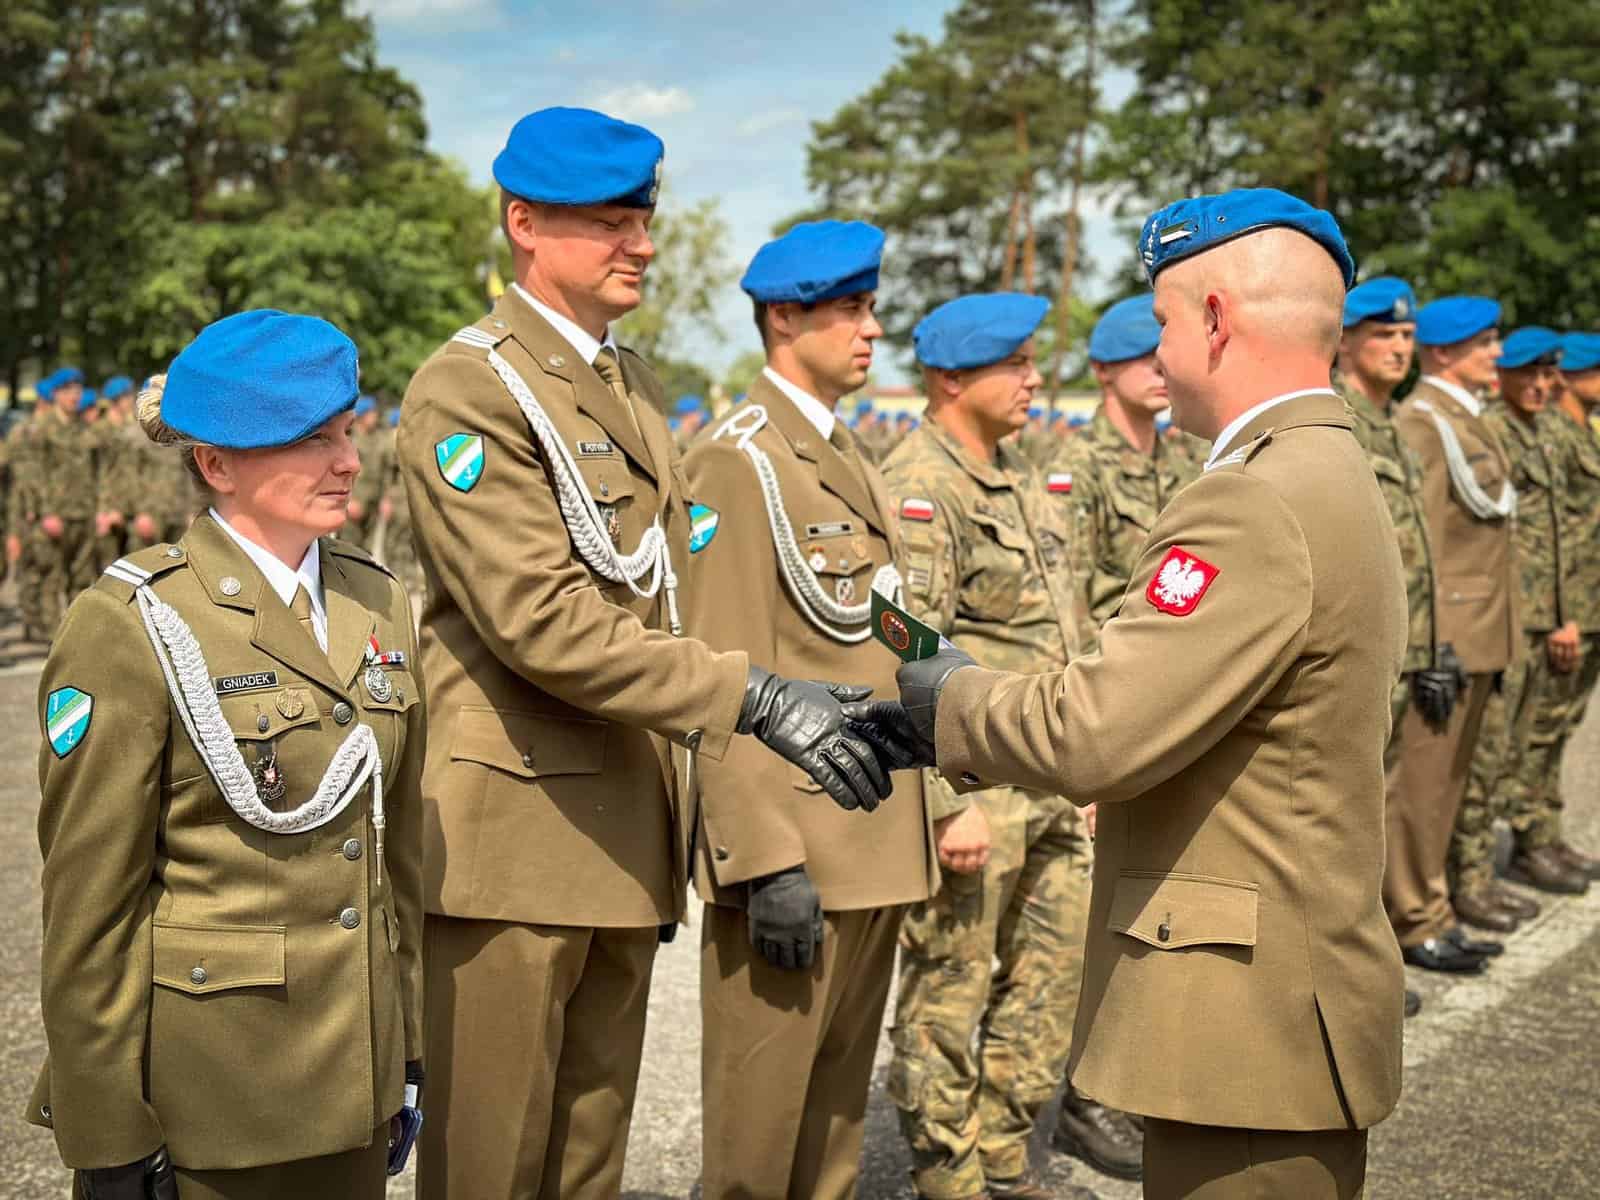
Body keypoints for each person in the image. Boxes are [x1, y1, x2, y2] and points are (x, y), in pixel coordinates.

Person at [852, 189, 1408, 1199]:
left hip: (1249, 1024)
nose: (1156, 351)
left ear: (1214, 319)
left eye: (1161, 321)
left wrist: (949, 699)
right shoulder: (1329, 465)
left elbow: (1100, 730)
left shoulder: (1253, 496)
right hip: (1280, 1007)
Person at [396, 106, 892, 1200]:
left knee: (586, 1168)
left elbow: (659, 597)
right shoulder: (471, 385)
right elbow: (539, 619)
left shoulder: (630, 382)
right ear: (525, 224)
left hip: (623, 830)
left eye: (642, 220)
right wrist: (751, 694)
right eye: (609, 223)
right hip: (514, 837)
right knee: (490, 1169)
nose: (643, 245)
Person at [27, 309, 426, 1198]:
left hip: (359, 1082)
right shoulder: (134, 620)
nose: (347, 460)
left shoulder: (378, 602)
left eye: (345, 431)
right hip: (215, 1098)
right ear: (216, 463)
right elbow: (91, 906)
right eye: (311, 438)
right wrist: (106, 1129)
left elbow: (396, 857)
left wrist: (408, 1044)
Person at [681, 220, 938, 1200]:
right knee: (756, 1151)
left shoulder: (841, 450)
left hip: (871, 843)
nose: (872, 331)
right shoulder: (737, 462)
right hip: (798, 857)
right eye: (850, 311)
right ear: (784, 320)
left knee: (830, 1143)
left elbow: (881, 636)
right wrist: (763, 861)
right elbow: (724, 667)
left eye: (871, 309)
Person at [880, 293, 1093, 1200]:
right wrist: (941, 803)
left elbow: (1067, 628)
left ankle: (1006, 1153)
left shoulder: (1020, 475)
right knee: (950, 987)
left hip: (1050, 777)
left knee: (1052, 974)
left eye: (1032, 362)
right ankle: (948, 1176)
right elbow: (906, 653)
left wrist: (1092, 762)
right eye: (1015, 364)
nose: (1034, 379)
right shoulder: (918, 488)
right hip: (977, 789)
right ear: (951, 378)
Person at [1334, 278, 1480, 1003]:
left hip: (1407, 646)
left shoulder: (1391, 424)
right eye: (1383, 335)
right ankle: (1344, 969)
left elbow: (1416, 551)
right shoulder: (1340, 424)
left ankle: (1384, 945)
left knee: (1389, 805)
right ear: (1345, 341)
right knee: (1345, 816)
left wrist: (1433, 642)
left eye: (1406, 336)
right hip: (1360, 655)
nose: (1399, 347)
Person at [1387, 296, 1518, 970]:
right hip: (1451, 634)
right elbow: (1425, 541)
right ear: (1444, 353)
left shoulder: (1465, 416)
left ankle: (1434, 906)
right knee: (1422, 787)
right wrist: (1431, 639)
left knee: (1450, 784)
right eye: (1484, 343)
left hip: (1481, 628)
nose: (1497, 354)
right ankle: (1414, 917)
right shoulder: (1422, 421)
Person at [1454, 327, 1592, 900]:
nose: (1541, 384)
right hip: (1509, 613)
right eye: (1528, 372)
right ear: (1502, 373)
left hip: (1550, 607)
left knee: (1538, 736)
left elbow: (1559, 530)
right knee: (1493, 749)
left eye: (1547, 373)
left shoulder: (1544, 430)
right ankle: (1471, 873)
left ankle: (1529, 842)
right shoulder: (1491, 431)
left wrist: (1565, 613)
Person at [1056, 294, 1206, 649]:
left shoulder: (1180, 461)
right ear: (1101, 369)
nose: (1159, 367)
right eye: (1141, 355)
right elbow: (1068, 597)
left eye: (1164, 352)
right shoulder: (1077, 466)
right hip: (1112, 657)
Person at [9, 367, 99, 641]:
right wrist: (45, 512)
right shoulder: (41, 429)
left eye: (77, 389)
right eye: (67, 390)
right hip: (54, 517)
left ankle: (76, 637)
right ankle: (52, 639)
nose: (74, 395)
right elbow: (32, 475)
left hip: (84, 513)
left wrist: (101, 509)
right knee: (51, 577)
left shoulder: (86, 429)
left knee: (81, 579)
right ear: (56, 394)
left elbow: (97, 472)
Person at [344, 395, 383, 545]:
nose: (375, 416)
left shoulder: (375, 439)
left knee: (367, 550)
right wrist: (350, 501)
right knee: (349, 546)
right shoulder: (350, 439)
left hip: (372, 502)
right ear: (362, 415)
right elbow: (345, 472)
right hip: (355, 503)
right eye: (372, 413)